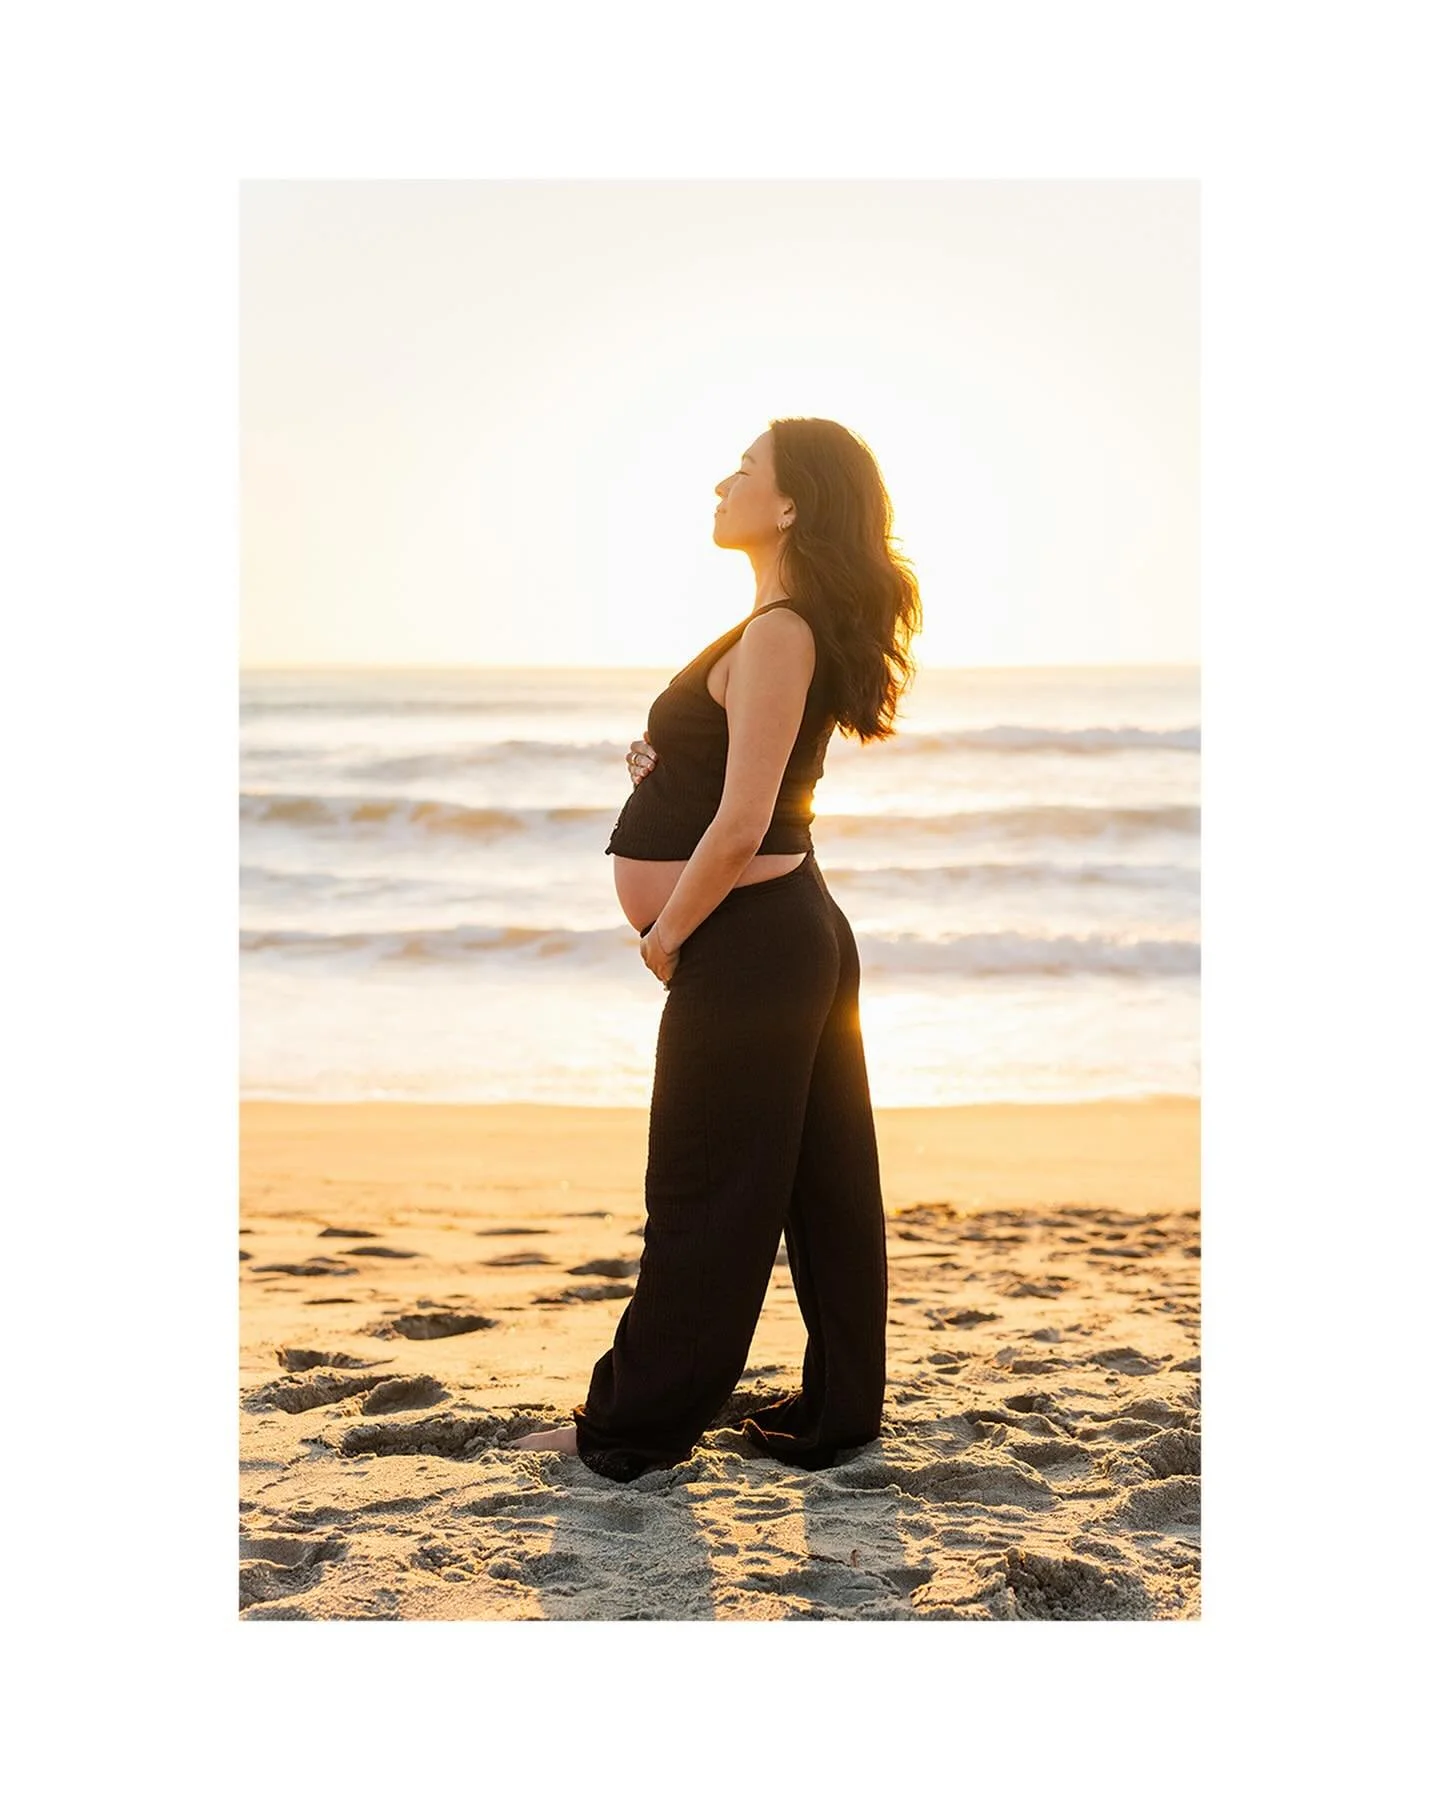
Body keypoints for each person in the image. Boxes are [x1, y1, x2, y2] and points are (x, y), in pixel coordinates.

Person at [511, 417, 922, 1481]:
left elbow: (746, 824)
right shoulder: (774, 626)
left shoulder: (782, 630)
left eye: (744, 470)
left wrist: (668, 933)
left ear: (788, 505)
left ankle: (633, 1432)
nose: (722, 482)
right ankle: (837, 1413)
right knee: (823, 1187)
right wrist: (666, 758)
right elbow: (745, 779)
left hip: (753, 943)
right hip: (788, 938)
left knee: (704, 1195)